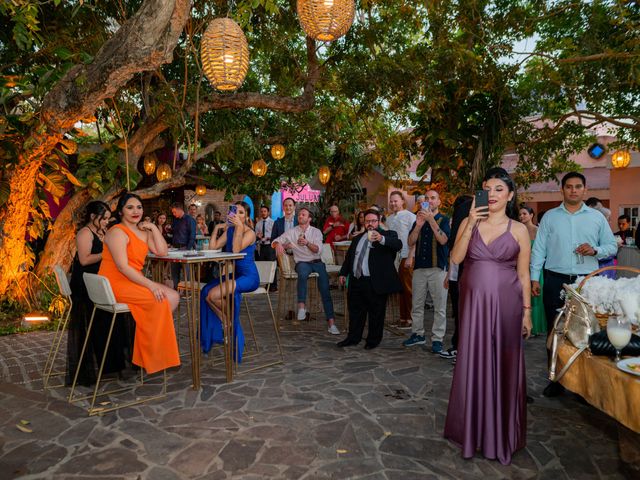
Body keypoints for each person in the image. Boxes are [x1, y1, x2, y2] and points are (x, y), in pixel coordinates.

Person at [444, 167, 532, 465]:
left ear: (509, 195)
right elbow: (455, 259)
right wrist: (470, 221)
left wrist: (527, 313)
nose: (492, 194)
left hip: (508, 306)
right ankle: (473, 431)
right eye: (487, 188)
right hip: (474, 305)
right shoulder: (470, 223)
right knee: (474, 362)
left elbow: (523, 273)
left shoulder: (518, 230)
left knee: (503, 363)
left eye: (498, 189)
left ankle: (502, 432)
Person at [530, 171, 617, 397]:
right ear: (562, 189)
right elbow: (539, 249)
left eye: (578, 186)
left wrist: (595, 249)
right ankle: (555, 379)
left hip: (587, 282)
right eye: (569, 186)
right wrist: (533, 277)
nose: (574, 190)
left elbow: (612, 246)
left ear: (585, 190)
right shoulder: (549, 217)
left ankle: (583, 385)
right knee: (554, 330)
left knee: (586, 332)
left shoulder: (597, 218)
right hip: (554, 279)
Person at [99, 193, 180, 375]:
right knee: (159, 301)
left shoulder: (143, 232)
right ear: (121, 211)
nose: (135, 211)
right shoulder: (117, 232)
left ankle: (147, 347)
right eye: (130, 207)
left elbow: (162, 251)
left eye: (139, 207)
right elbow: (122, 267)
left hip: (132, 279)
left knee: (173, 297)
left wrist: (152, 227)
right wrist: (151, 285)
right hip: (116, 282)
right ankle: (145, 357)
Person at [66, 201, 127, 386]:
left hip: (98, 283)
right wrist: (108, 253)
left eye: (108, 218)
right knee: (102, 322)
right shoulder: (85, 232)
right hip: (86, 285)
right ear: (93, 217)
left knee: (110, 321)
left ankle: (111, 365)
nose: (106, 222)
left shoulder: (102, 231)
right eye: (104, 218)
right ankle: (101, 366)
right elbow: (84, 260)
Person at [201, 202, 259, 359]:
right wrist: (216, 230)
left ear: (246, 217)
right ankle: (227, 321)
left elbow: (235, 250)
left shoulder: (250, 233)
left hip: (249, 277)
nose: (237, 215)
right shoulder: (230, 230)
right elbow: (213, 247)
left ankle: (229, 322)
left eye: (241, 213)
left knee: (213, 296)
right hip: (236, 275)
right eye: (235, 212)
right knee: (206, 292)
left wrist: (239, 227)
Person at [337, 209, 402, 349]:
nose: (370, 224)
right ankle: (353, 338)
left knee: (376, 313)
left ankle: (373, 341)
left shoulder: (388, 235)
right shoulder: (357, 238)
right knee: (355, 312)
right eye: (367, 221)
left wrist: (381, 238)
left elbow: (398, 245)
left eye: (373, 221)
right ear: (364, 222)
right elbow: (349, 258)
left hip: (375, 282)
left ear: (379, 221)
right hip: (356, 280)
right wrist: (343, 273)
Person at [272, 207, 341, 335]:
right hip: (302, 263)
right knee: (302, 272)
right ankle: (301, 307)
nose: (300, 216)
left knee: (325, 290)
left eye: (303, 215)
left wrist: (307, 243)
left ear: (309, 218)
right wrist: (279, 244)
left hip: (317, 263)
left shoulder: (316, 232)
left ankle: (331, 323)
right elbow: (275, 241)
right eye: (299, 215)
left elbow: (317, 250)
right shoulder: (292, 232)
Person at [403, 189, 450, 353]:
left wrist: (431, 220)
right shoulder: (418, 219)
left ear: (439, 202)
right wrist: (418, 226)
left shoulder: (444, 219)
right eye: (427, 198)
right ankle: (417, 334)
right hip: (419, 269)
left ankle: (437, 339)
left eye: (433, 198)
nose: (430, 201)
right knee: (416, 305)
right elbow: (410, 242)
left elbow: (443, 240)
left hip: (438, 269)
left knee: (439, 307)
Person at [439, 194, 472, 361]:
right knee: (459, 313)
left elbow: (453, 248)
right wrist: (449, 275)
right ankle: (459, 346)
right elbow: (454, 253)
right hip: (455, 273)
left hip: (463, 274)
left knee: (463, 314)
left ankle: (461, 348)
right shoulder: (462, 222)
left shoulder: (467, 219)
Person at [386, 191, 416, 328]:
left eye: (395, 201)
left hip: (407, 255)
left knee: (408, 288)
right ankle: (402, 317)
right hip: (394, 258)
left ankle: (410, 318)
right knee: (400, 289)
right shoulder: (389, 218)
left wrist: (410, 256)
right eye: (391, 201)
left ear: (403, 201)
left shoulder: (411, 217)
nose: (393, 203)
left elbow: (415, 238)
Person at [519, 205, 546, 336]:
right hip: (521, 268)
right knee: (523, 296)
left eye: (524, 213)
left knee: (536, 298)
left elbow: (543, 251)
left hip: (536, 269)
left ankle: (536, 327)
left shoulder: (538, 231)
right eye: (520, 214)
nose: (522, 216)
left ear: (531, 215)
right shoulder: (517, 231)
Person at [170, 202, 196, 288]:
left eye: (174, 212)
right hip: (175, 248)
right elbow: (174, 232)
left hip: (185, 247)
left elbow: (192, 235)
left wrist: (188, 249)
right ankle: (176, 290)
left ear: (180, 210)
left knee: (186, 272)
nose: (173, 214)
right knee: (174, 271)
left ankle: (187, 291)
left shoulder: (189, 219)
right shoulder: (175, 220)